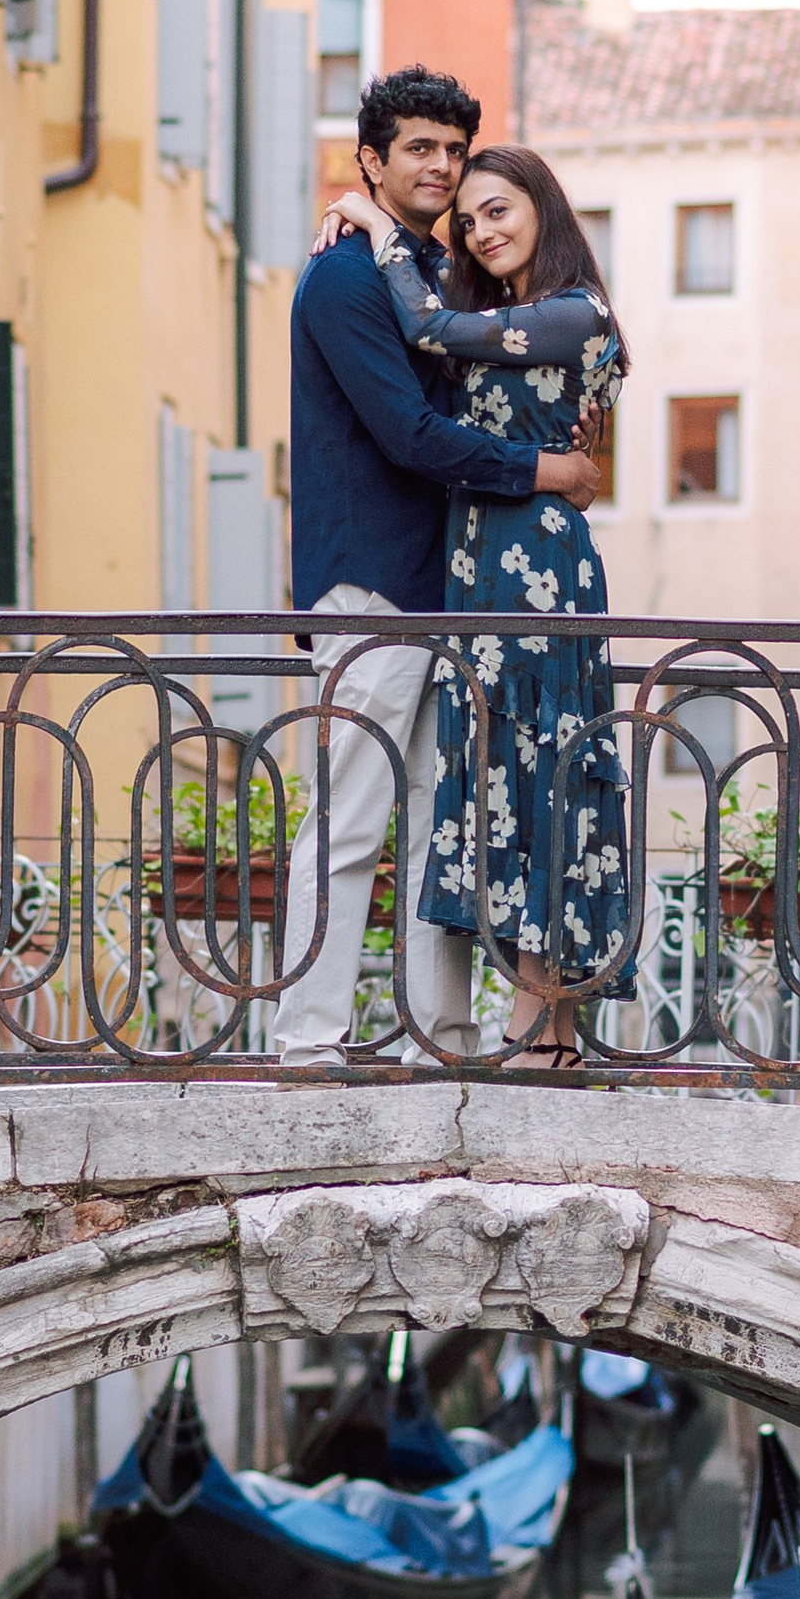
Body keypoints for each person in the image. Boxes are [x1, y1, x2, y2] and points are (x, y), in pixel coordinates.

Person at [277, 69, 600, 1063]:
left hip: (445, 592)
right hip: (372, 585)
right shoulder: (345, 278)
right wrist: (542, 468)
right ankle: (310, 1039)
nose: (442, 167)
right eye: (420, 148)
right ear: (372, 159)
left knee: (438, 827)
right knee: (348, 821)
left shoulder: (434, 276)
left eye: (455, 151)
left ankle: (441, 1035)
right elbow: (412, 436)